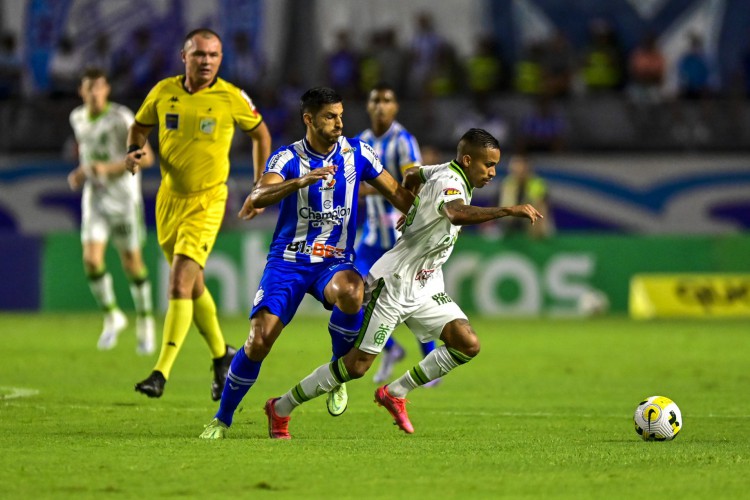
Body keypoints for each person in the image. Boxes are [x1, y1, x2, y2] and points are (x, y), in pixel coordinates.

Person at [261, 128, 542, 438]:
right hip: (393, 283)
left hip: (426, 284)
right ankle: (281, 407)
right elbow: (454, 212)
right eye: (487, 165)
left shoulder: (447, 170)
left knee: (467, 343)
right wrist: (507, 210)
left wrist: (412, 211)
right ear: (466, 160)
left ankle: (395, 392)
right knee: (355, 367)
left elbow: (414, 174)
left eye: (495, 166)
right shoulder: (451, 182)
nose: (492, 172)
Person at [199, 86, 416, 439]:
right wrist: (298, 182)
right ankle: (222, 418)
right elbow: (258, 194)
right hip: (288, 262)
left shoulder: (358, 152)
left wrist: (434, 207)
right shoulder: (286, 158)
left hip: (332, 261)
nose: (338, 123)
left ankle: (336, 374)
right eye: (330, 117)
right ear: (309, 119)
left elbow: (399, 194)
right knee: (258, 340)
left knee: (352, 289)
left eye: (341, 116)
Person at [125, 28, 272, 400]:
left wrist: (259, 183)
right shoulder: (163, 92)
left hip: (208, 202)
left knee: (178, 283)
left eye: (214, 55)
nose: (206, 61)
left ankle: (161, 372)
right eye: (199, 54)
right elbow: (140, 126)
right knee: (195, 285)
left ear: (220, 59)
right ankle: (223, 356)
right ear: (184, 56)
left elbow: (261, 134)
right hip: (168, 200)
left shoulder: (231, 97)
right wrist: (134, 149)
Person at [67, 67, 156, 355]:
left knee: (131, 263)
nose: (94, 93)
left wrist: (106, 169)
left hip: (123, 199)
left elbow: (147, 157)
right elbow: (89, 154)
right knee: (91, 260)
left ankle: (145, 320)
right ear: (82, 91)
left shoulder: (122, 118)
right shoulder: (77, 117)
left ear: (107, 90)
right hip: (95, 199)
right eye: (89, 87)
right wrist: (82, 172)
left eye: (99, 87)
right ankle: (113, 316)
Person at [355, 82, 438, 385]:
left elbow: (413, 178)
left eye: (386, 100)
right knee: (353, 294)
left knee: (412, 300)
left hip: (400, 237)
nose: (380, 105)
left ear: (395, 107)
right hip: (371, 237)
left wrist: (407, 209)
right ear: (368, 105)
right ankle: (390, 349)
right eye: (375, 99)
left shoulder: (403, 140)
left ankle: (429, 362)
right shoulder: (360, 141)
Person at [499, 155, 554, 239]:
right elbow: (502, 205)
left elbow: (540, 207)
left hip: (533, 222)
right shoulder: (507, 183)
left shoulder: (537, 184)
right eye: (515, 170)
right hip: (510, 223)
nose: (518, 172)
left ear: (527, 169)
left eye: (521, 170)